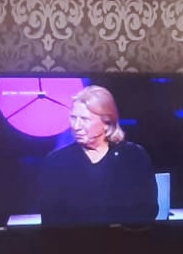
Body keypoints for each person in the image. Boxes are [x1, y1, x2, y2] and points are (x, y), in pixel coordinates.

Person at [37, 85, 158, 225]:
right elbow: (50, 217)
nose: (76, 126)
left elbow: (148, 210)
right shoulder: (56, 162)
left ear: (106, 122)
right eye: (73, 118)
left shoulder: (134, 157)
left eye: (85, 119)